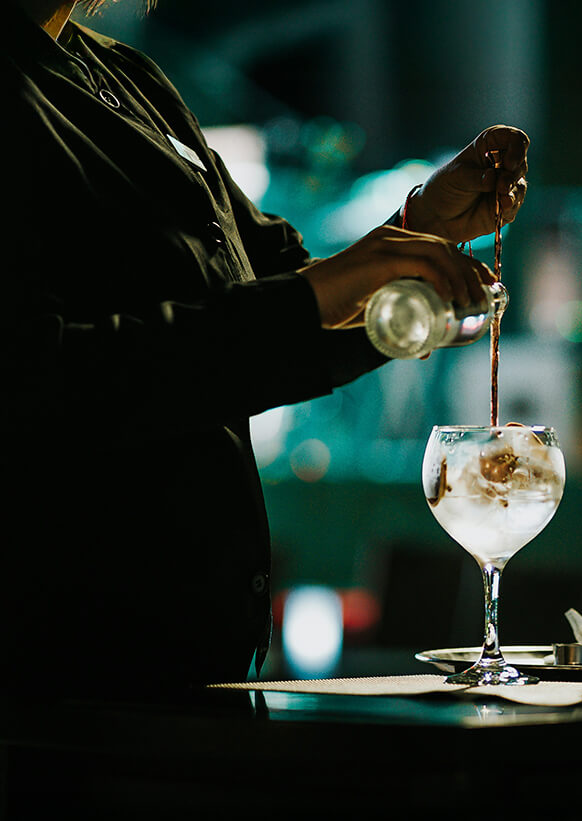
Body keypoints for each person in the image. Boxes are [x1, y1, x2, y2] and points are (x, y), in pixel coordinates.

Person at [1, 0, 530, 700]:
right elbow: (39, 383)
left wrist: (419, 230)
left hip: (194, 665)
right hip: (55, 678)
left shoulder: (126, 75)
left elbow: (274, 291)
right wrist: (329, 291)